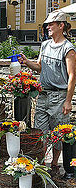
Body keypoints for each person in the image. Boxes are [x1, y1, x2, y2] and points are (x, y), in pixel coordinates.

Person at [19, 10, 76, 177]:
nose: (48, 27)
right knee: (39, 132)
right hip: (42, 96)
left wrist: (68, 100)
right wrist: (26, 62)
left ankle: (54, 164)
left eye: (51, 24)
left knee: (58, 134)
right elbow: (39, 67)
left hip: (59, 97)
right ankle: (41, 165)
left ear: (61, 25)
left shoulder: (68, 48)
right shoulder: (44, 45)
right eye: (47, 24)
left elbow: (72, 75)